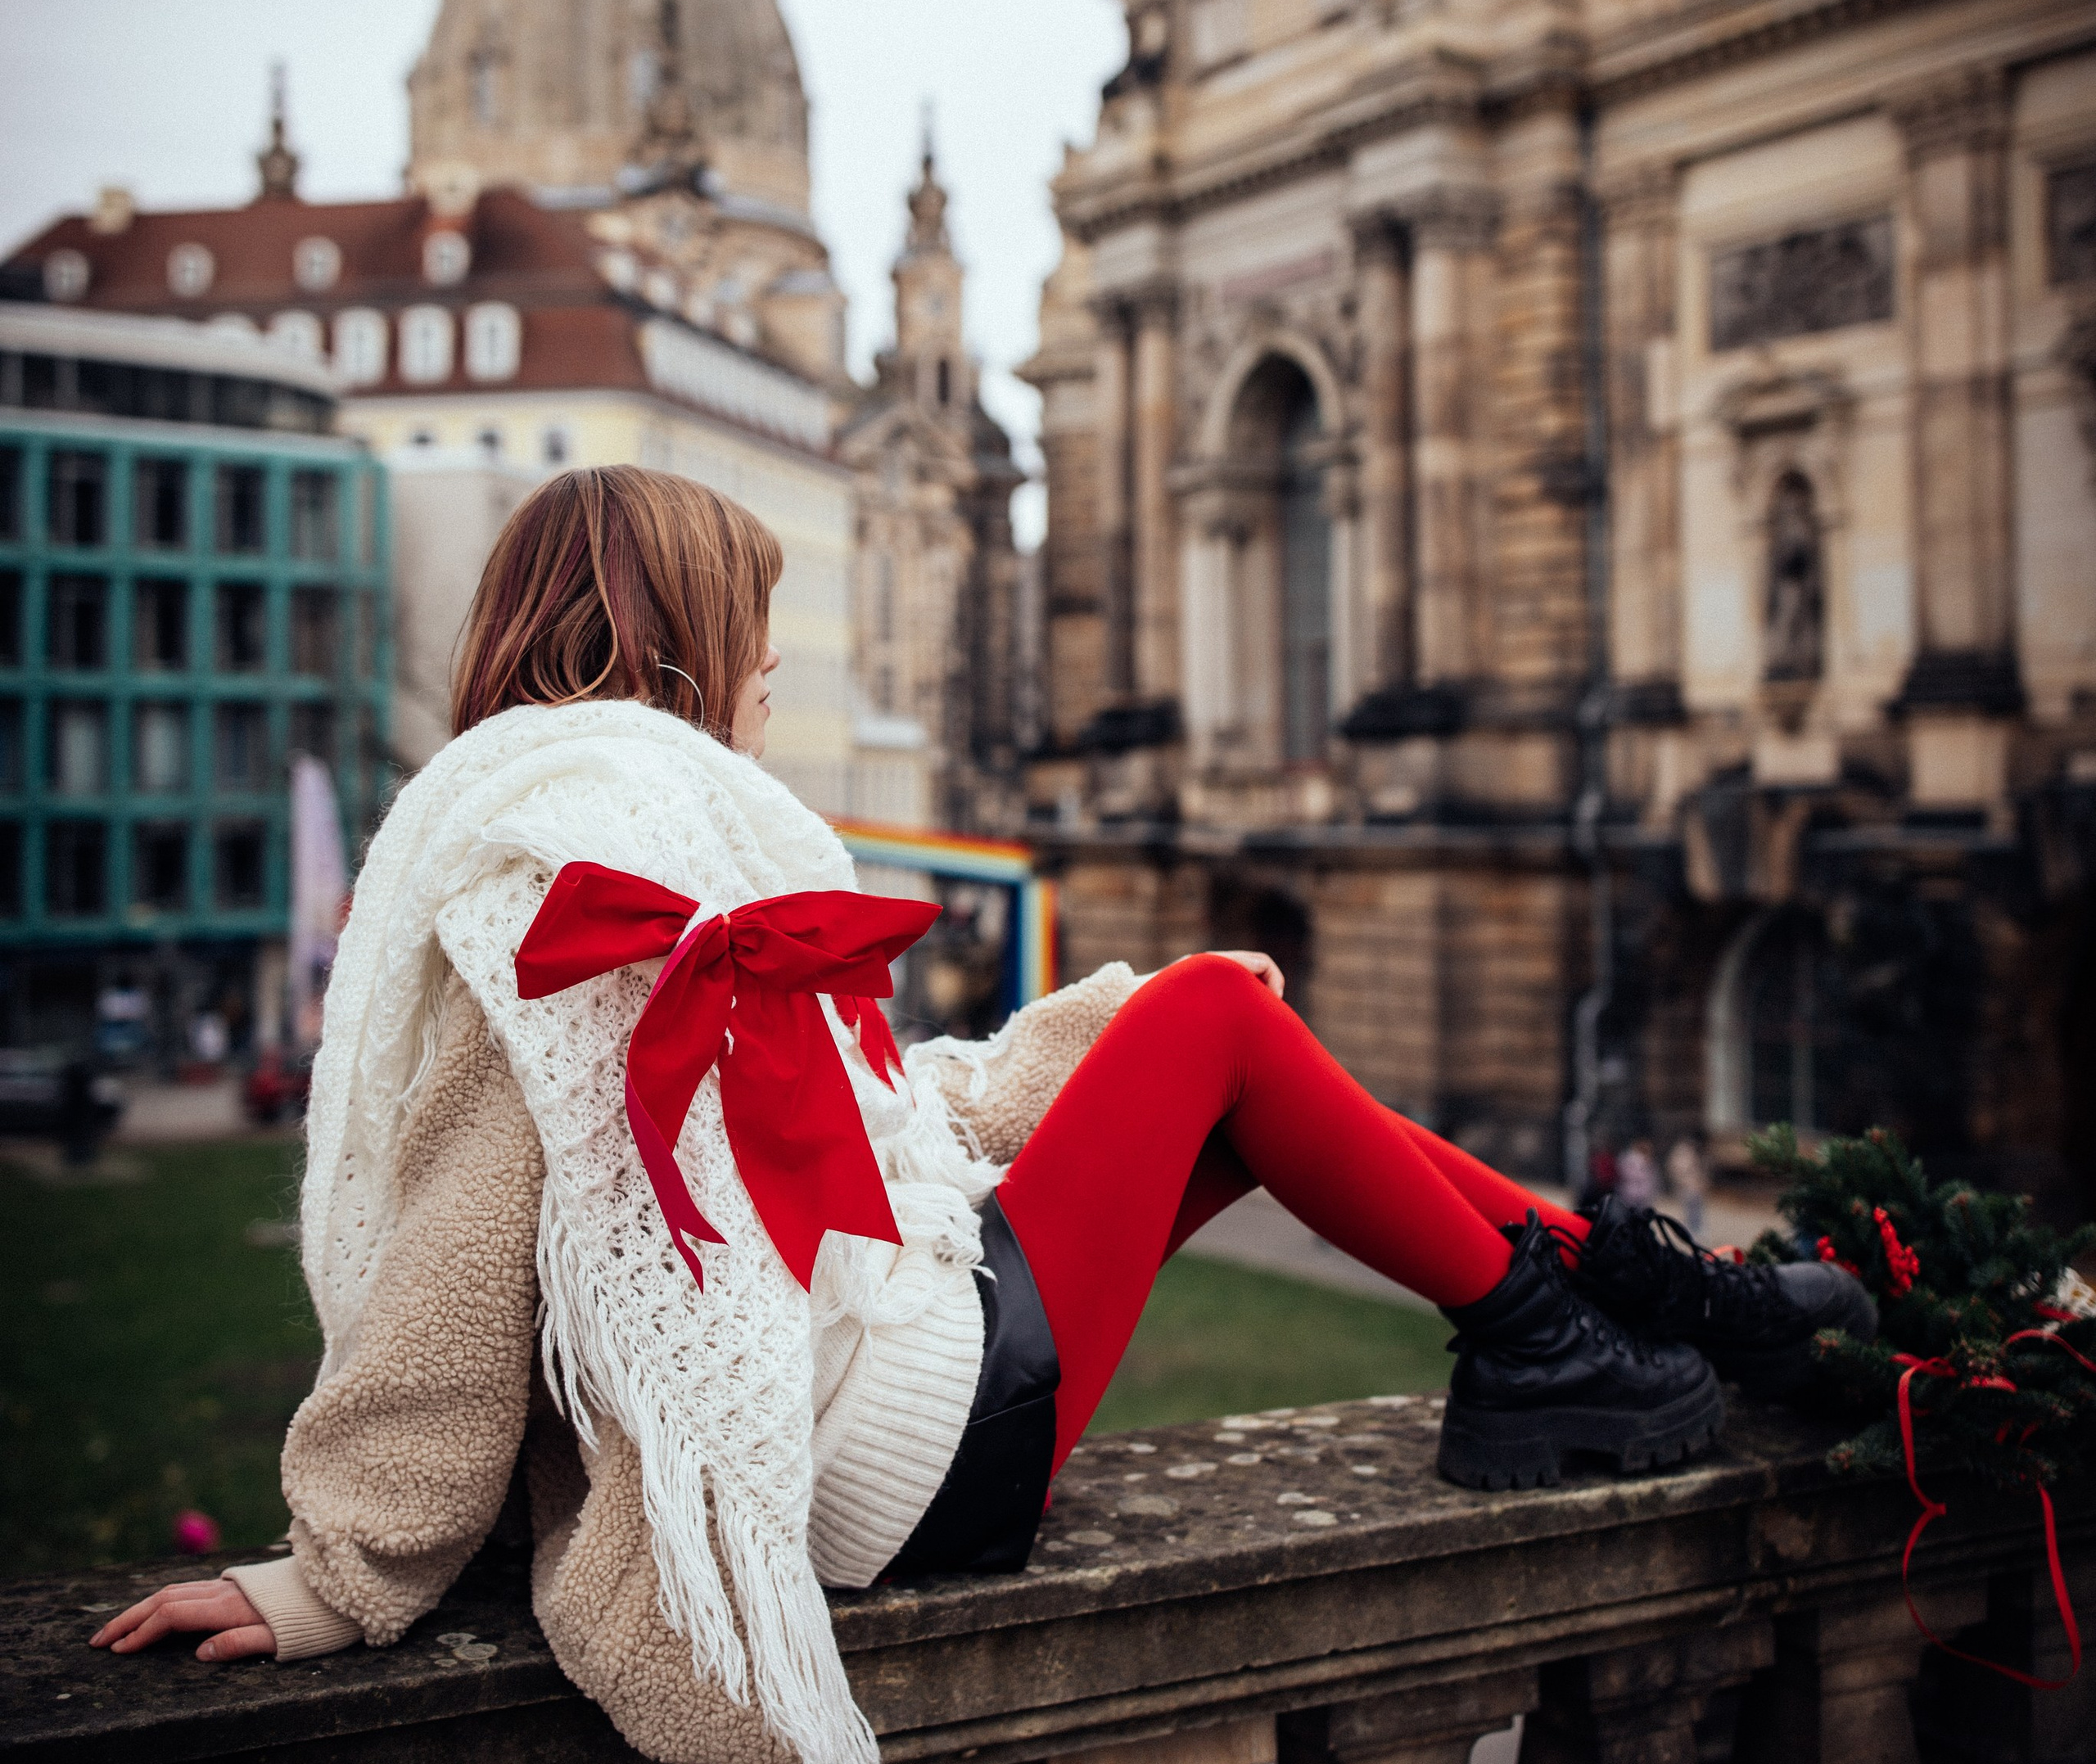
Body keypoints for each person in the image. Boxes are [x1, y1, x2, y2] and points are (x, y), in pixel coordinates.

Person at [88, 469, 1875, 1764]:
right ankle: (1563, 1336)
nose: (774, 674)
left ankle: (1654, 1302)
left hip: (897, 1402)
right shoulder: (575, 876)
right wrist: (344, 1567)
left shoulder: (639, 835)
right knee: (1214, 1020)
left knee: (1212, 1030)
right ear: (678, 640)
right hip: (903, 1458)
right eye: (756, 631)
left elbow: (859, 1136)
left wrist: (1083, 1047)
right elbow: (465, 1247)